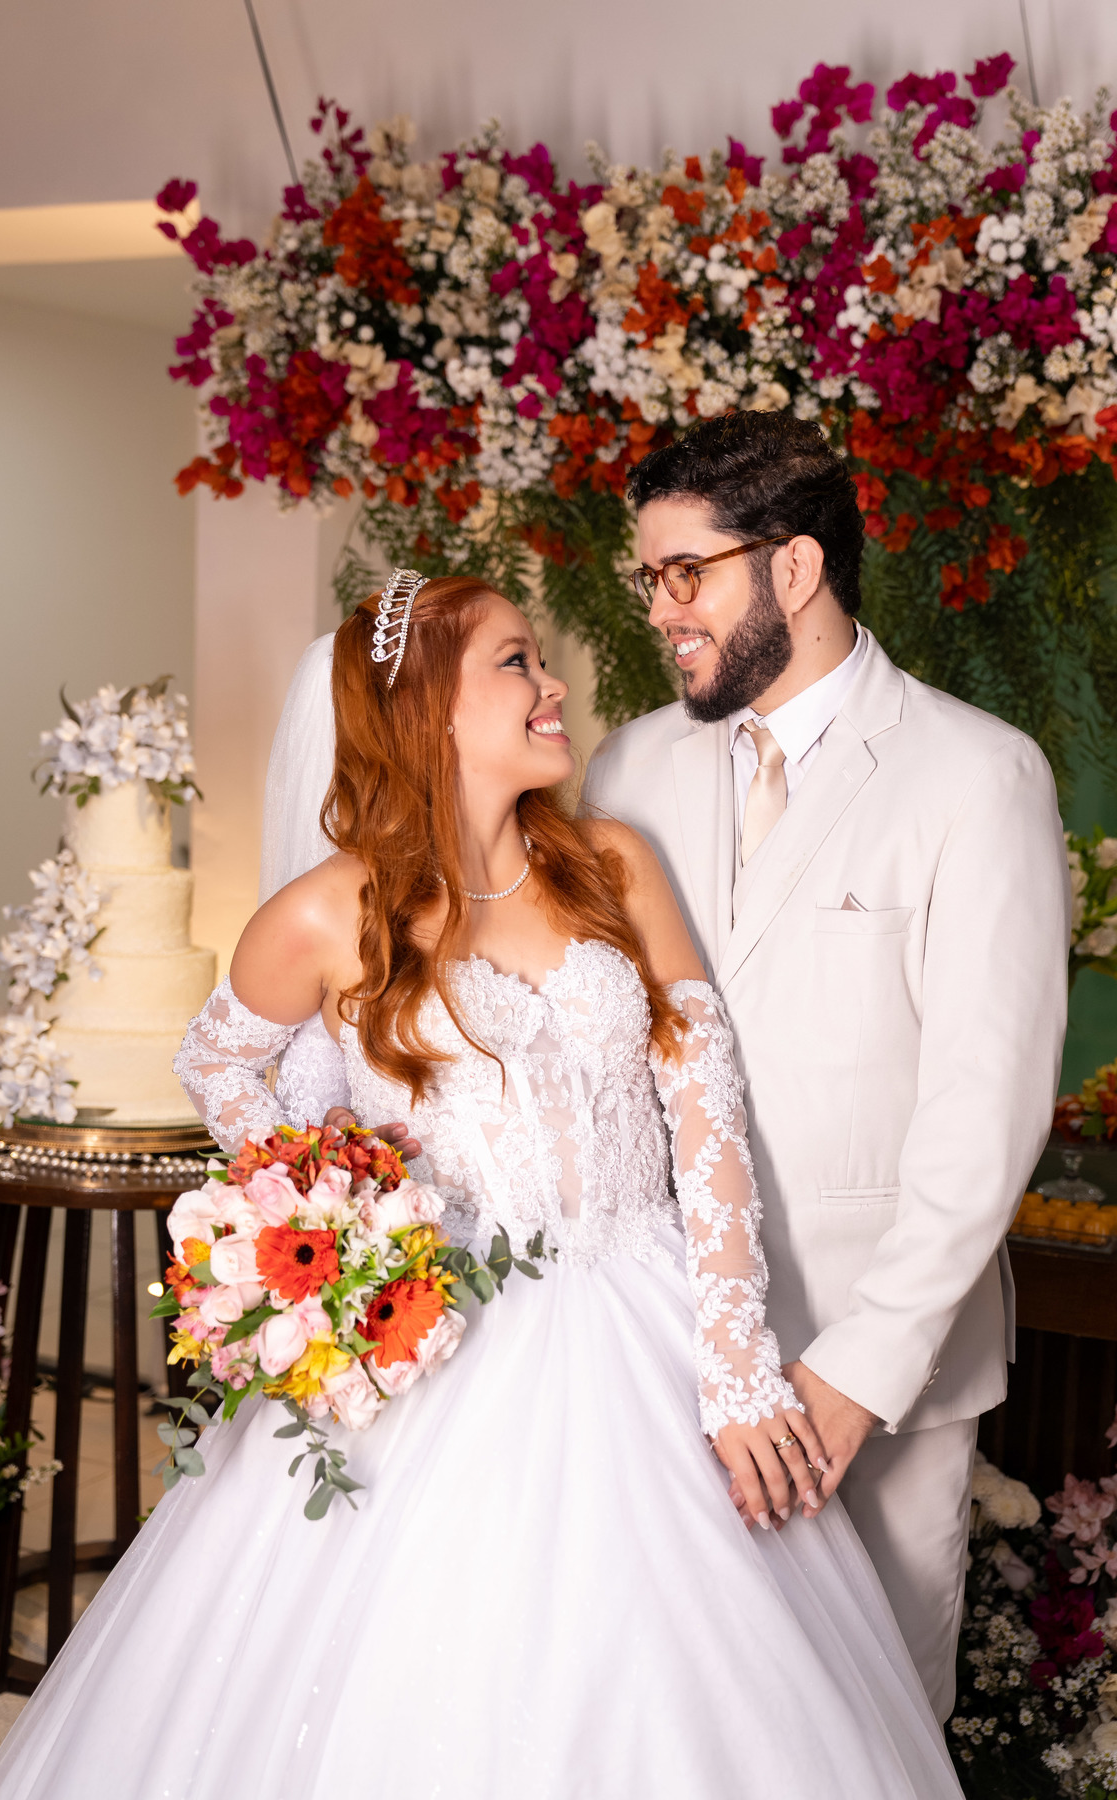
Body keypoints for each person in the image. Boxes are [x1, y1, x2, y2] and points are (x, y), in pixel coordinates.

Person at [0, 572, 961, 1800]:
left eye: (540, 659)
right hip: (441, 1330)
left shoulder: (613, 866)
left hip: (647, 1317)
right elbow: (216, 1060)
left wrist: (735, 1362)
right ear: (429, 710)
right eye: (515, 662)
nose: (554, 687)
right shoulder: (326, 916)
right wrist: (324, 1212)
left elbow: (708, 1116)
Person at [581, 412, 1071, 1721]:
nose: (659, 611)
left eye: (688, 573)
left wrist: (858, 1375)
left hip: (881, 1374)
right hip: (661, 1350)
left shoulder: (980, 775)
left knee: (869, 1727)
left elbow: (987, 1112)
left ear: (793, 568)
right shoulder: (627, 768)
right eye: (650, 578)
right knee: (675, 1722)